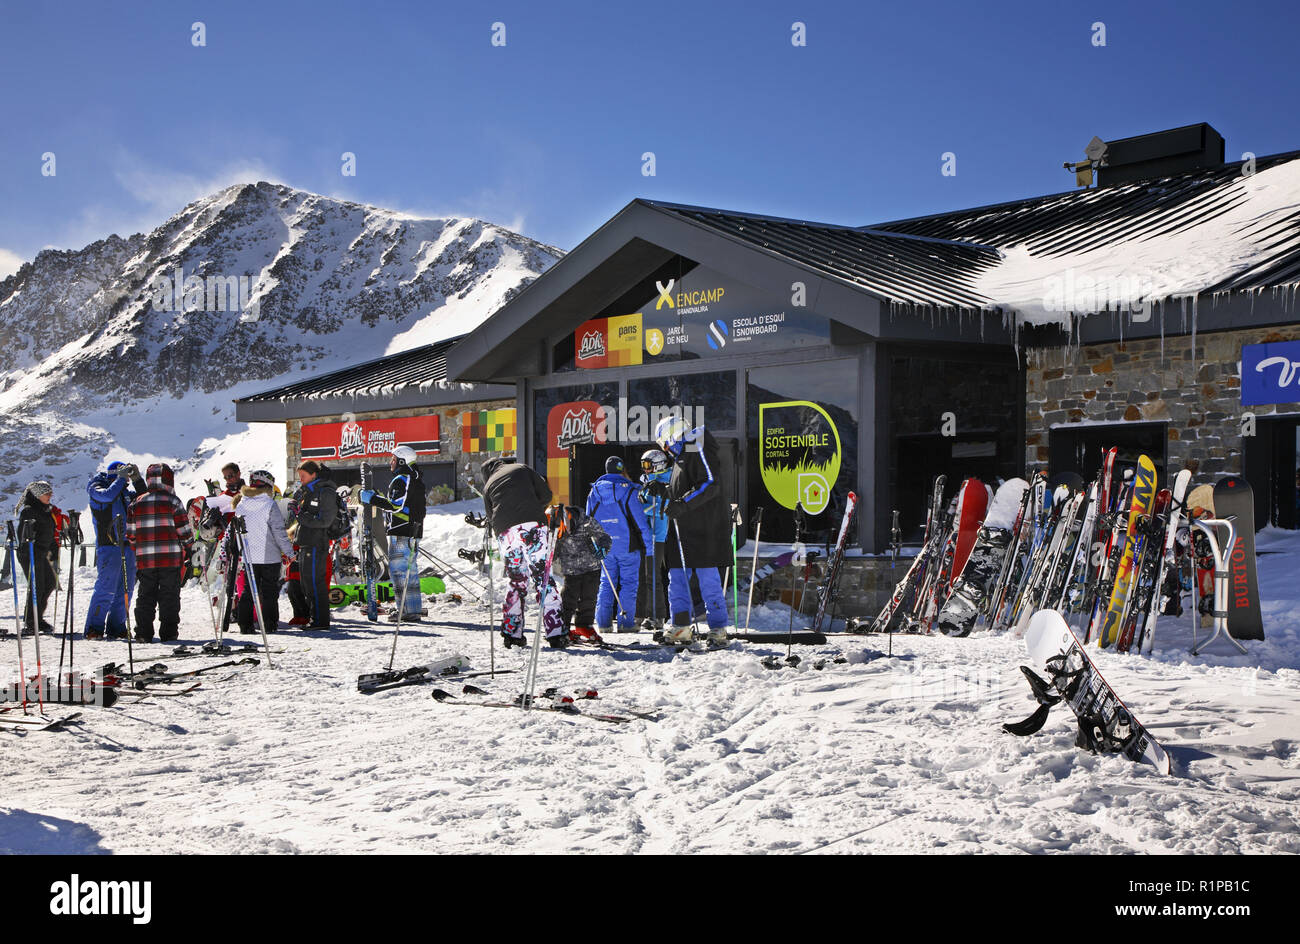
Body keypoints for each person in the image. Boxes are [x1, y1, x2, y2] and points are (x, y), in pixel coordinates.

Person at [651, 416, 732, 646]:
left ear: (673, 436)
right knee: (676, 578)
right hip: (682, 531)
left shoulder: (697, 446)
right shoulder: (681, 458)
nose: (666, 450)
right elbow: (683, 490)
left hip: (704, 529)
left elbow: (709, 483)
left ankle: (718, 629)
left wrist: (683, 504)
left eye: (665, 444)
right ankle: (681, 626)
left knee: (707, 579)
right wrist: (664, 490)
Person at [479, 456, 566, 649]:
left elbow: (490, 516)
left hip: (506, 533)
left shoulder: (488, 486)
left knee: (516, 581)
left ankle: (512, 634)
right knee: (543, 578)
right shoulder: (521, 468)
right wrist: (532, 510)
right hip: (532, 525)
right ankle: (556, 633)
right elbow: (545, 494)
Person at [126, 463, 195, 643]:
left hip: (145, 559)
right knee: (169, 595)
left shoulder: (137, 502)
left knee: (145, 595)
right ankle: (169, 632)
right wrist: (189, 547)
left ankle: (143, 632)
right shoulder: (173, 501)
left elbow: (131, 534)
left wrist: (139, 549)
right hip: (170, 558)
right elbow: (184, 531)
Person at [585, 456, 653, 633]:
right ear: (622, 470)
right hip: (628, 546)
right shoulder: (630, 491)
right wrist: (649, 547)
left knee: (606, 582)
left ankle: (603, 623)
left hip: (604, 547)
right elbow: (641, 523)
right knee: (629, 583)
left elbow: (587, 522)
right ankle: (626, 623)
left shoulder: (594, 493)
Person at [361, 446, 427, 622]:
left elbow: (396, 505)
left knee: (399, 572)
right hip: (411, 532)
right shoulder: (414, 478)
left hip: (401, 532)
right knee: (409, 573)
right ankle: (412, 610)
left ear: (402, 461)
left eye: (393, 459)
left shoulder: (402, 478)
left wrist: (372, 499)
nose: (391, 462)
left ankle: (404, 611)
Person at [85, 461, 147, 639]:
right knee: (106, 587)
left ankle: (117, 626)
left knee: (125, 590)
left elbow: (144, 499)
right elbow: (106, 496)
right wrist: (120, 480)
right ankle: (94, 627)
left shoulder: (125, 492)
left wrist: (138, 480)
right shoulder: (97, 487)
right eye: (124, 476)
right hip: (109, 546)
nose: (125, 479)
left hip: (128, 546)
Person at [231, 470, 294, 635]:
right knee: (269, 592)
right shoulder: (269, 504)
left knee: (248, 591)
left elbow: (238, 530)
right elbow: (279, 532)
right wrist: (290, 552)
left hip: (249, 556)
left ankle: (245, 625)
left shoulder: (241, 504)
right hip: (269, 556)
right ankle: (269, 624)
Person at [549, 505, 611, 641]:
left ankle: (584, 625)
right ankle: (562, 626)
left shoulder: (587, 522)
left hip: (591, 567)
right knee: (568, 599)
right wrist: (550, 555)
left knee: (589, 598)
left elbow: (603, 536)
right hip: (571, 570)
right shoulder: (557, 527)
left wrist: (603, 546)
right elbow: (554, 550)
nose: (568, 531)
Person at [292, 460, 337, 630]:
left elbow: (325, 520)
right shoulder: (309, 491)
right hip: (307, 543)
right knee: (307, 583)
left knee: (315, 582)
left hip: (317, 543)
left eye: (303, 476)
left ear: (313, 475)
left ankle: (320, 620)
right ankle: (315, 618)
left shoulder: (325, 492)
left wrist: (300, 515)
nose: (301, 479)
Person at [15, 481, 58, 635]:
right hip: (30, 553)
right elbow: (23, 534)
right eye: (47, 493)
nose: (50, 496)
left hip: (40, 553)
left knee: (49, 583)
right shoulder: (29, 511)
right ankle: (32, 621)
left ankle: (36, 618)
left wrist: (53, 546)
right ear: (38, 495)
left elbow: (49, 530)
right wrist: (28, 548)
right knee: (37, 585)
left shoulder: (44, 510)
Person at [637, 448, 672, 627]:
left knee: (653, 576)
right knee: (648, 575)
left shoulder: (669, 479)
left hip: (659, 535)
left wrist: (643, 507)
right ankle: (651, 614)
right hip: (649, 533)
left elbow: (660, 508)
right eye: (643, 465)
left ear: (658, 465)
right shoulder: (649, 481)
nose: (645, 469)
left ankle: (657, 616)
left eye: (648, 465)